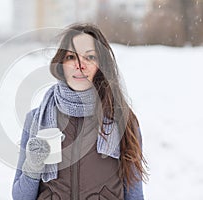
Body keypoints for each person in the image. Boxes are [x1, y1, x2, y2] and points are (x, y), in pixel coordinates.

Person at [12, 23, 148, 200]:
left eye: (89, 57)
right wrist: (34, 165)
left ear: (101, 64)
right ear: (61, 64)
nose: (79, 65)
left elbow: (134, 195)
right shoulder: (37, 120)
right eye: (71, 56)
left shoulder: (123, 119)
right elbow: (20, 197)